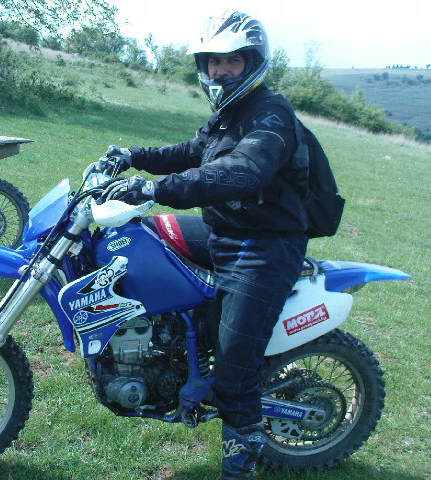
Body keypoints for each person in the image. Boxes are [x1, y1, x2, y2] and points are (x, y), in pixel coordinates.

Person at [101, 11, 310, 479]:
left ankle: (240, 458)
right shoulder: (229, 115)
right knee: (139, 236)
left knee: (236, 368)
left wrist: (154, 188)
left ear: (252, 62)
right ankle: (176, 344)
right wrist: (132, 157)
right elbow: (191, 153)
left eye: (231, 61)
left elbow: (243, 171)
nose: (221, 70)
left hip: (263, 247)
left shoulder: (270, 116)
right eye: (213, 61)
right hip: (224, 229)